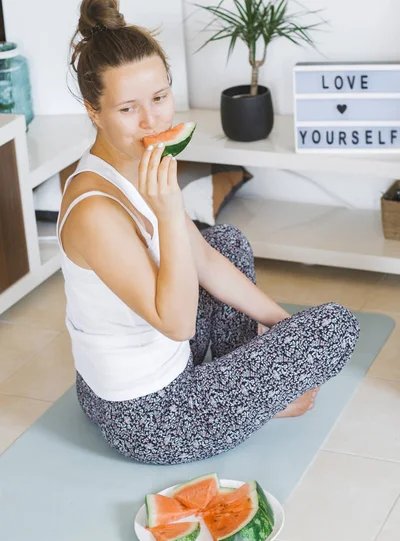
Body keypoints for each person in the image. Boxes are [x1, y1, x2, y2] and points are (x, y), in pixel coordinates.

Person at [58, 0, 360, 465]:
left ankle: (240, 383)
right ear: (93, 111)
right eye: (127, 108)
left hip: (168, 366)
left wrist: (285, 327)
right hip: (149, 417)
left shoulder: (140, 158)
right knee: (336, 327)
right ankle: (252, 395)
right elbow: (177, 323)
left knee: (227, 242)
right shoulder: (94, 211)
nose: (151, 122)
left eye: (160, 98)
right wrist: (167, 209)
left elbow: (203, 258)